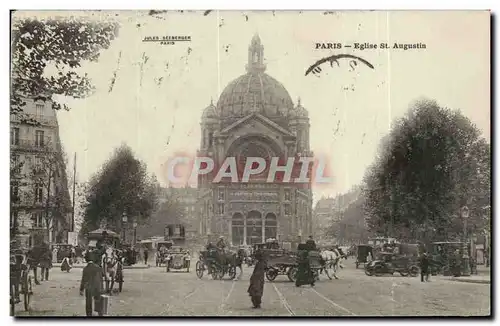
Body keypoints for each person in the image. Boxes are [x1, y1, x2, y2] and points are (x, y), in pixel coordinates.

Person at [80, 250, 104, 316]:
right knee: (98, 300)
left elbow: (83, 280)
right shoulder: (98, 268)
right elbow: (101, 278)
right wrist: (102, 287)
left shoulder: (85, 269)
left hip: (89, 287)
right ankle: (100, 313)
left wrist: (81, 289)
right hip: (97, 287)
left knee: (88, 302)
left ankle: (89, 314)